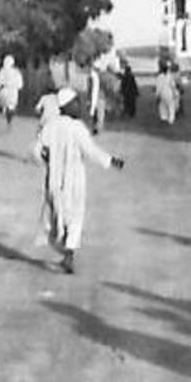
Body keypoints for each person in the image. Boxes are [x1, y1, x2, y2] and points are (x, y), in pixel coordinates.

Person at [37, 87, 125, 274]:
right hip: (74, 178)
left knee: (56, 215)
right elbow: (90, 151)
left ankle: (63, 248)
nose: (79, 106)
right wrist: (111, 161)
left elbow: (38, 150)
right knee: (75, 215)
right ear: (67, 106)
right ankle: (69, 253)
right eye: (75, 103)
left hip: (54, 177)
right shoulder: (77, 128)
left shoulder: (50, 126)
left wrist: (48, 161)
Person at [0, 54, 23, 127]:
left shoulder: (3, 71)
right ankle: (9, 118)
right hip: (13, 92)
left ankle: (7, 115)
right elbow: (20, 84)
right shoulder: (16, 72)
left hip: (6, 90)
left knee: (7, 105)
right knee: (11, 106)